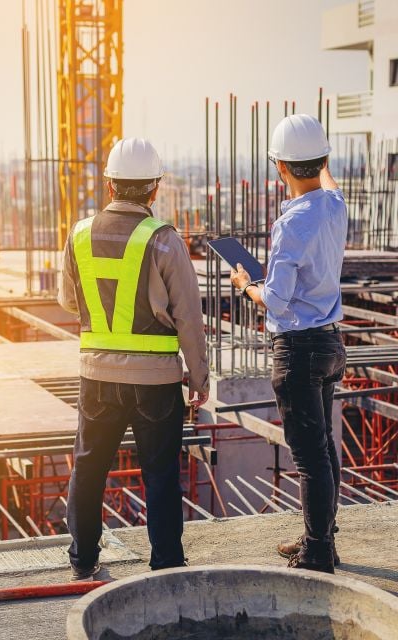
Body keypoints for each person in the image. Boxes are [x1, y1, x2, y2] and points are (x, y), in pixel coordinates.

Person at [59, 138, 210, 580]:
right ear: (154, 189)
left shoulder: (79, 234)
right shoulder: (164, 241)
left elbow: (70, 301)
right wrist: (198, 377)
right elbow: (189, 318)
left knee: (88, 467)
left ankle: (83, 559)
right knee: (160, 475)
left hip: (97, 376)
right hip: (156, 382)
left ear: (109, 185)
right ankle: (165, 565)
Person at [229, 114, 347, 574]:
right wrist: (321, 160)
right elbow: (329, 184)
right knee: (323, 448)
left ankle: (317, 551)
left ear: (279, 168)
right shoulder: (334, 206)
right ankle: (321, 538)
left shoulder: (292, 223)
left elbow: (276, 302)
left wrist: (244, 283)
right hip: (330, 343)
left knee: (311, 455)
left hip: (297, 349)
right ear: (322, 161)